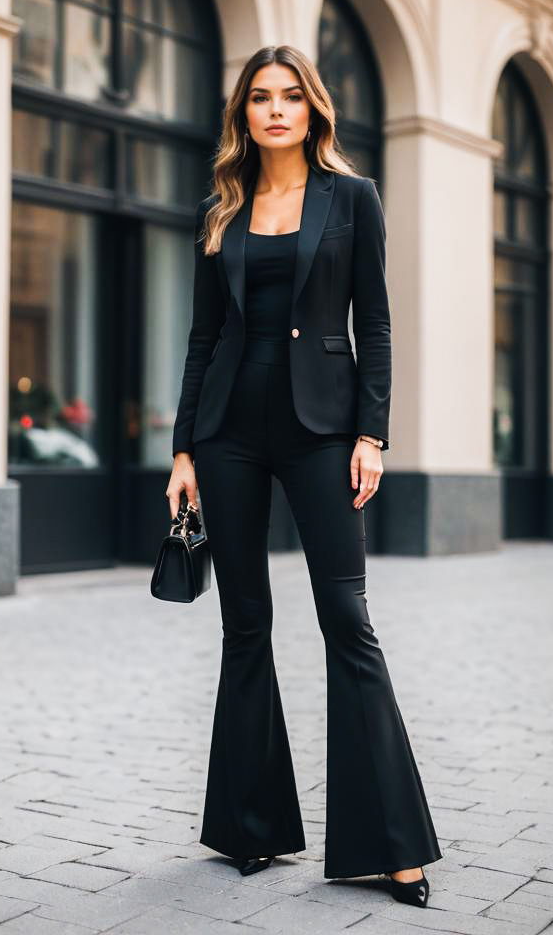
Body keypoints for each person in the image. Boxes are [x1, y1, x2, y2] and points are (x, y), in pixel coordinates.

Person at [165, 44, 442, 908]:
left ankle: (393, 846)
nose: (275, 109)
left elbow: (378, 325)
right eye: (260, 98)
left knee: (347, 621)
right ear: (242, 114)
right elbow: (203, 337)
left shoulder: (352, 199)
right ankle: (251, 828)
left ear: (312, 108)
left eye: (290, 96)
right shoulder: (222, 208)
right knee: (245, 625)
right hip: (228, 435)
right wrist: (183, 450)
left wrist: (374, 434)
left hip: (325, 433)